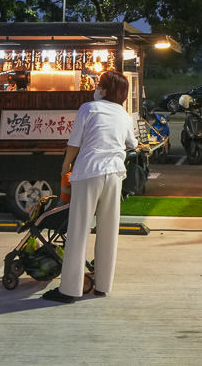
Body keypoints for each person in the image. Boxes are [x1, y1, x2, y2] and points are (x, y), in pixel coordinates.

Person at [43, 70, 137, 303]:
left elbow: (75, 142)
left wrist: (65, 165)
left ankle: (70, 290)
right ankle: (103, 285)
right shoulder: (123, 114)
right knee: (108, 230)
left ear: (104, 90)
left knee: (78, 230)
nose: (97, 88)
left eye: (100, 85)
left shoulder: (88, 108)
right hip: (115, 174)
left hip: (89, 173)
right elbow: (132, 143)